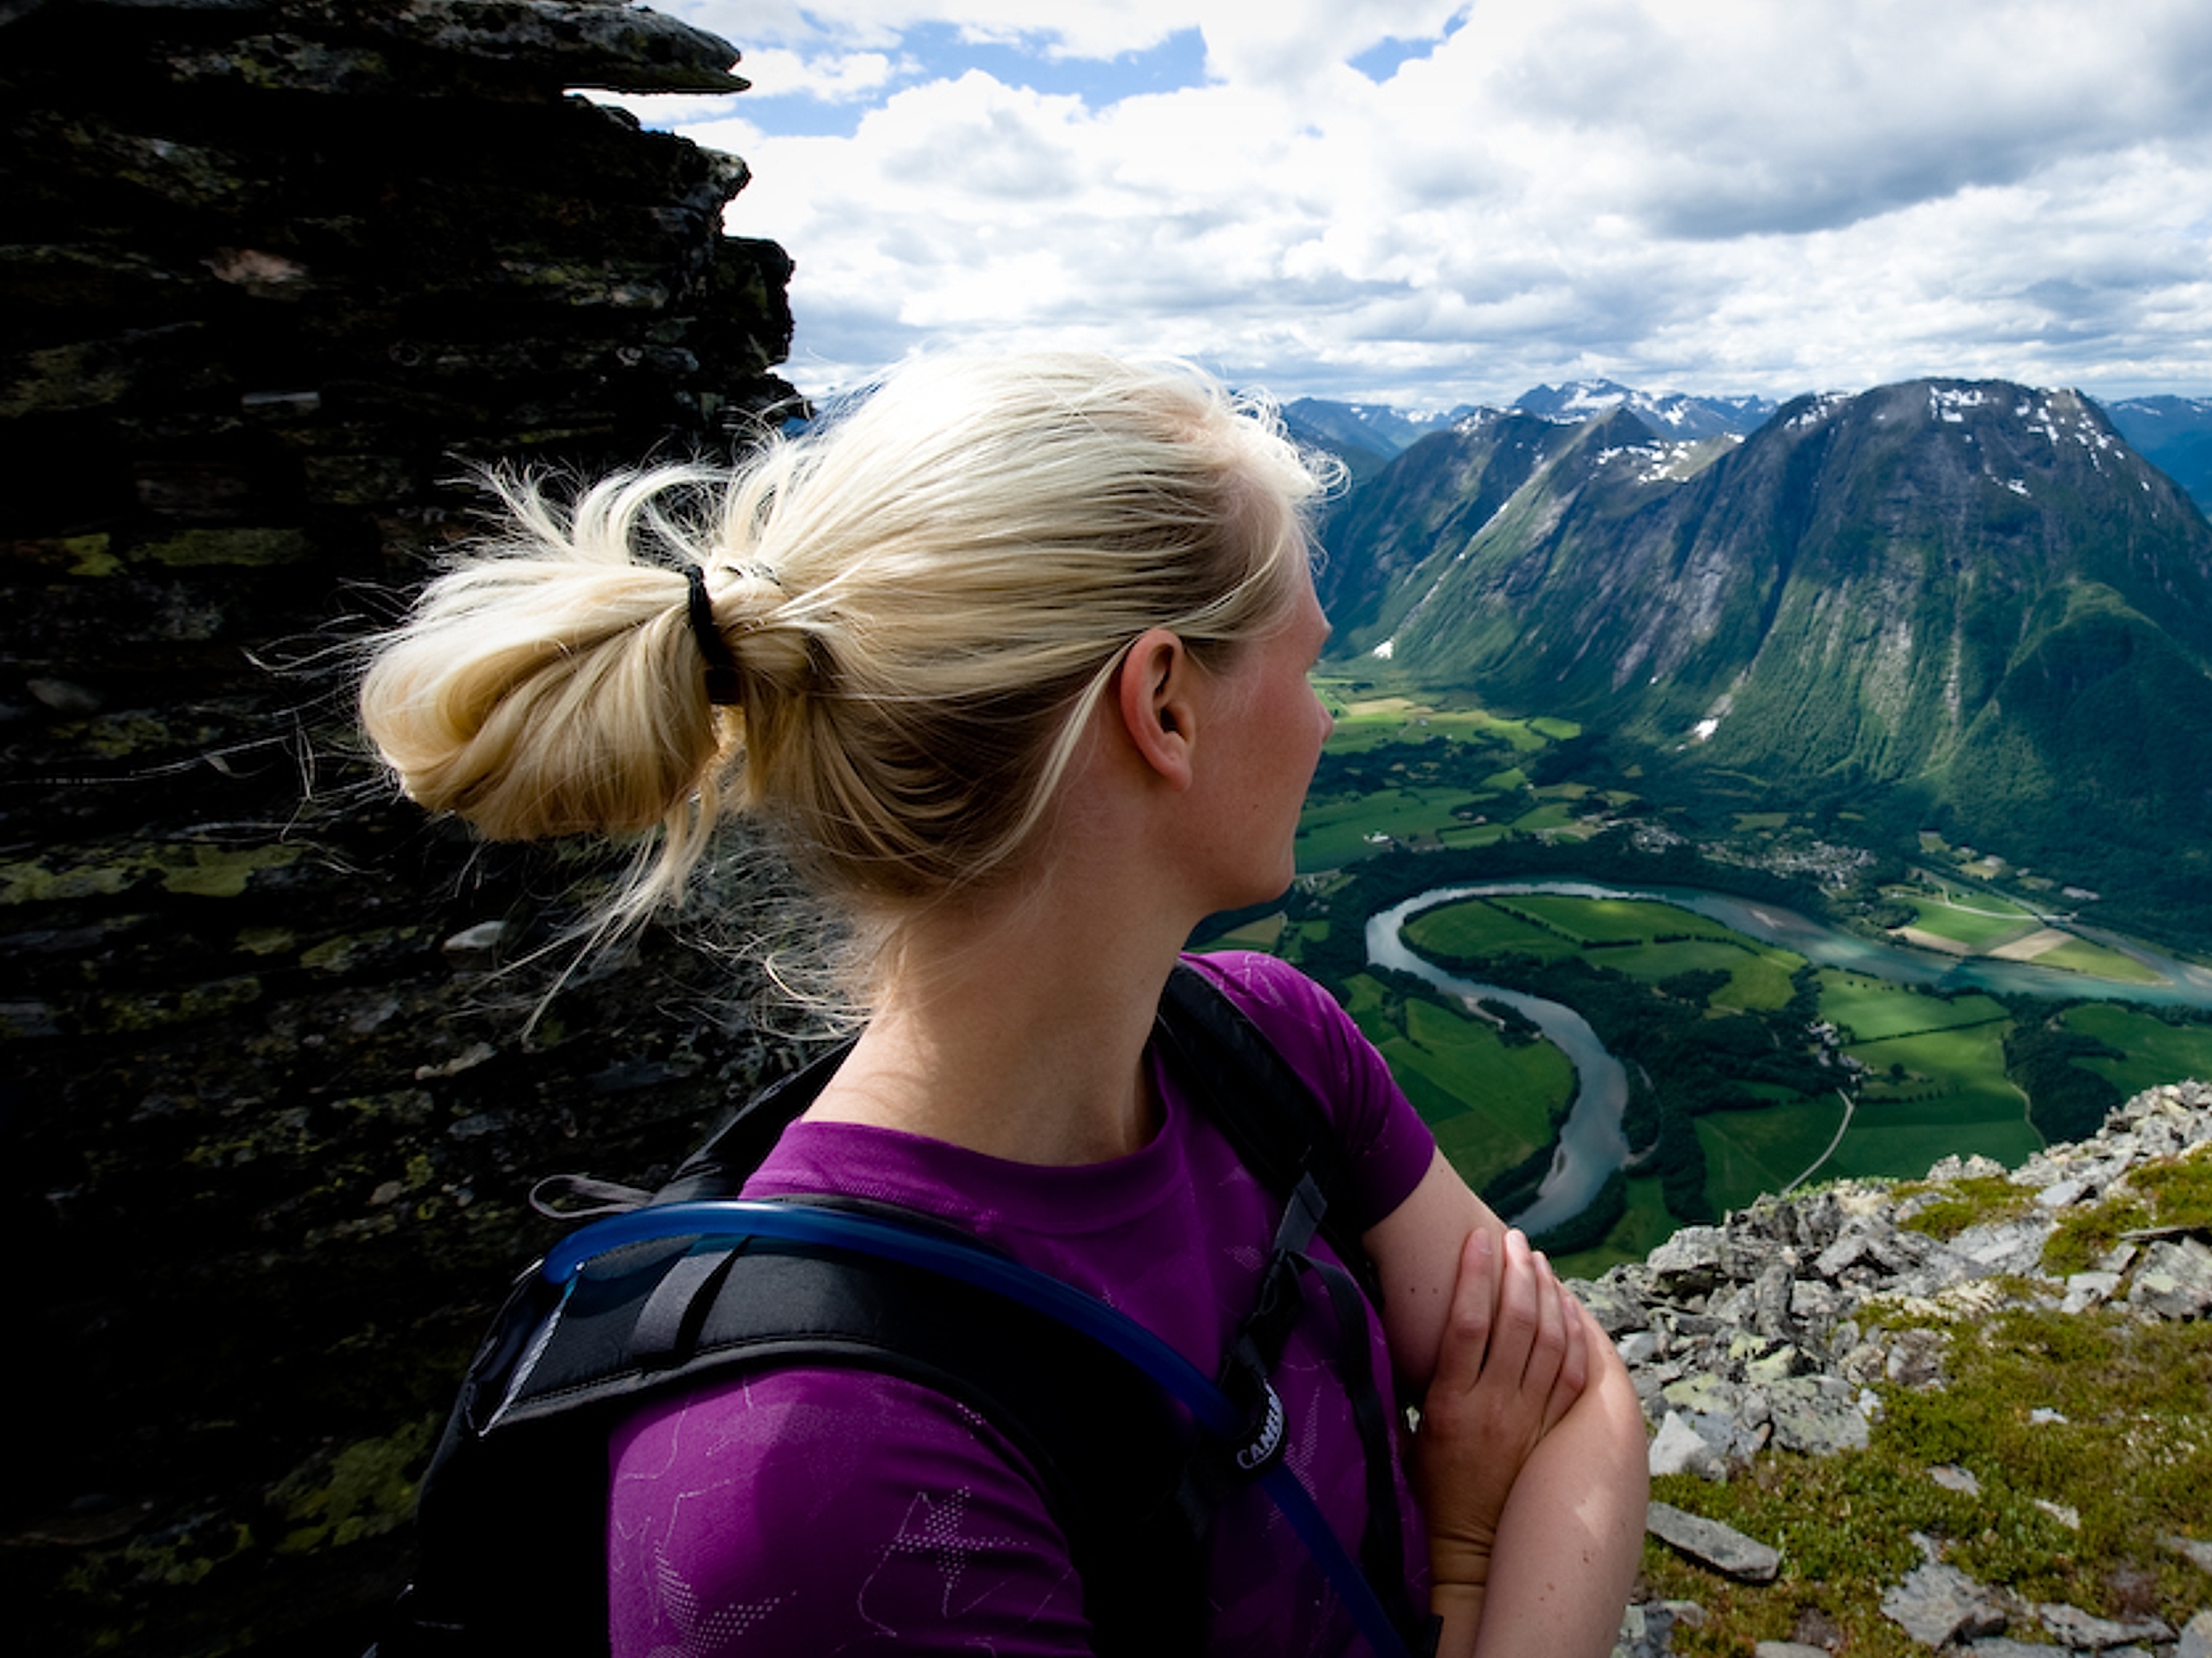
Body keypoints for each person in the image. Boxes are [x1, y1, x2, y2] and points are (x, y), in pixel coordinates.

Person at [359, 353, 1650, 1658]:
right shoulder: (815, 1484)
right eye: (1307, 663)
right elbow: (1552, 1414)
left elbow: (1580, 1389)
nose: (1322, 723)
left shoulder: (1272, 1045)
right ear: (1163, 705)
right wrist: (1473, 1564)